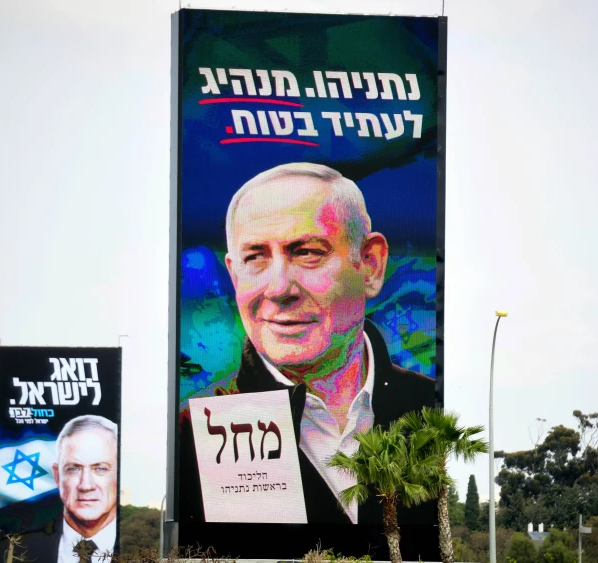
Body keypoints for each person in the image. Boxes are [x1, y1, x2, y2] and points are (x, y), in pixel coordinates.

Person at [179, 162, 436, 525]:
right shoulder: (199, 429)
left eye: (307, 252)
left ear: (370, 265)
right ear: (234, 276)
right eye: (255, 257)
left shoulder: (428, 409)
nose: (278, 288)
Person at [6, 415, 119, 563]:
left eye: (100, 468)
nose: (86, 485)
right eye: (73, 469)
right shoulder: (12, 549)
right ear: (57, 476)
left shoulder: (141, 545)